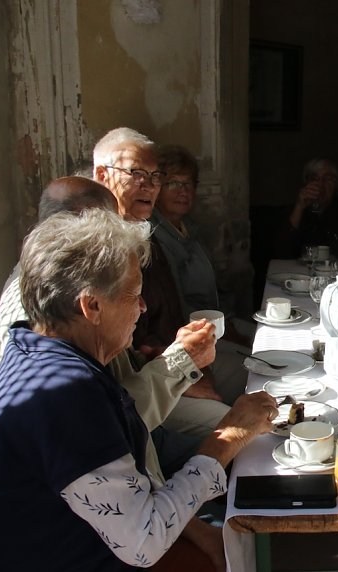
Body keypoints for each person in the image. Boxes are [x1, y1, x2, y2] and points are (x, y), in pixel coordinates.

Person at [0, 209, 279, 571]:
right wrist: (229, 435)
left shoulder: (35, 346)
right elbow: (145, 540)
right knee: (239, 545)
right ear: (91, 305)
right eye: (134, 294)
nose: (142, 308)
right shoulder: (64, 394)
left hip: (74, 541)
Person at [0, 176, 218, 483]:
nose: (141, 306)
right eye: (109, 224)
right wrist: (178, 364)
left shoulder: (75, 287)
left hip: (139, 447)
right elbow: (104, 432)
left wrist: (158, 359)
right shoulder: (39, 320)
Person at [92, 127, 235, 434]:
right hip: (138, 386)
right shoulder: (95, 248)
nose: (149, 186)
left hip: (173, 356)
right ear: (102, 176)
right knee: (235, 426)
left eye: (155, 177)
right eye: (136, 174)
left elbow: (167, 315)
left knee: (259, 378)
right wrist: (183, 370)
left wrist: (189, 363)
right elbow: (130, 357)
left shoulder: (143, 233)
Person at [144, 143, 251, 406]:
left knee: (269, 342)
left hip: (218, 322)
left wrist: (229, 319)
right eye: (174, 184)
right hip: (194, 333)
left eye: (189, 184)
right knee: (253, 365)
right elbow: (177, 304)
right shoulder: (154, 236)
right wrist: (224, 329)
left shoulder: (188, 227)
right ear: (157, 188)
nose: (184, 192)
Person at [273, 158, 338, 260]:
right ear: (306, 183)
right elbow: (281, 253)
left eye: (328, 179)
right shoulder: (295, 210)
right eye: (315, 179)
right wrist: (299, 208)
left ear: (336, 185)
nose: (321, 184)